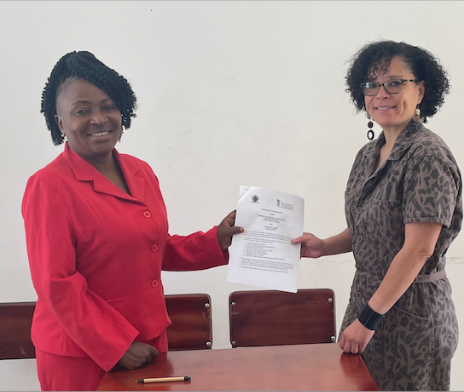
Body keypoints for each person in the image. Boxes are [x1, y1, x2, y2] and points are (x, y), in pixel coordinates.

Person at [21, 51, 243, 391]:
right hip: (83, 356)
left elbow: (155, 248)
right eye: (82, 110)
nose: (99, 118)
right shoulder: (48, 186)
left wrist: (217, 239)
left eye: (108, 106)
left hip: (150, 340)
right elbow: (57, 284)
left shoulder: (140, 171)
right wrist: (118, 345)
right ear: (60, 122)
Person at [292, 41, 462, 391]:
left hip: (411, 316)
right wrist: (323, 245)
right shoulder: (370, 153)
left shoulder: (427, 155)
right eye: (372, 85)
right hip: (367, 304)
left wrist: (368, 319)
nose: (381, 93)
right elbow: (368, 229)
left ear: (421, 90)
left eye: (394, 82)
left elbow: (418, 250)